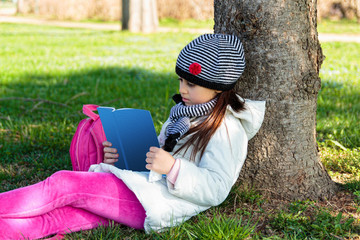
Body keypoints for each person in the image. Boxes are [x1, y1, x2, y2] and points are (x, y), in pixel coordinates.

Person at [0, 34, 266, 239]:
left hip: (155, 200)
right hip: (144, 190)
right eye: (181, 81)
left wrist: (173, 168)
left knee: (64, 184)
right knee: (60, 217)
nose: (181, 89)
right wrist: (121, 158)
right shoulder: (186, 114)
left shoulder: (227, 128)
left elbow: (217, 188)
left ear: (216, 86)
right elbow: (155, 157)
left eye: (190, 84)